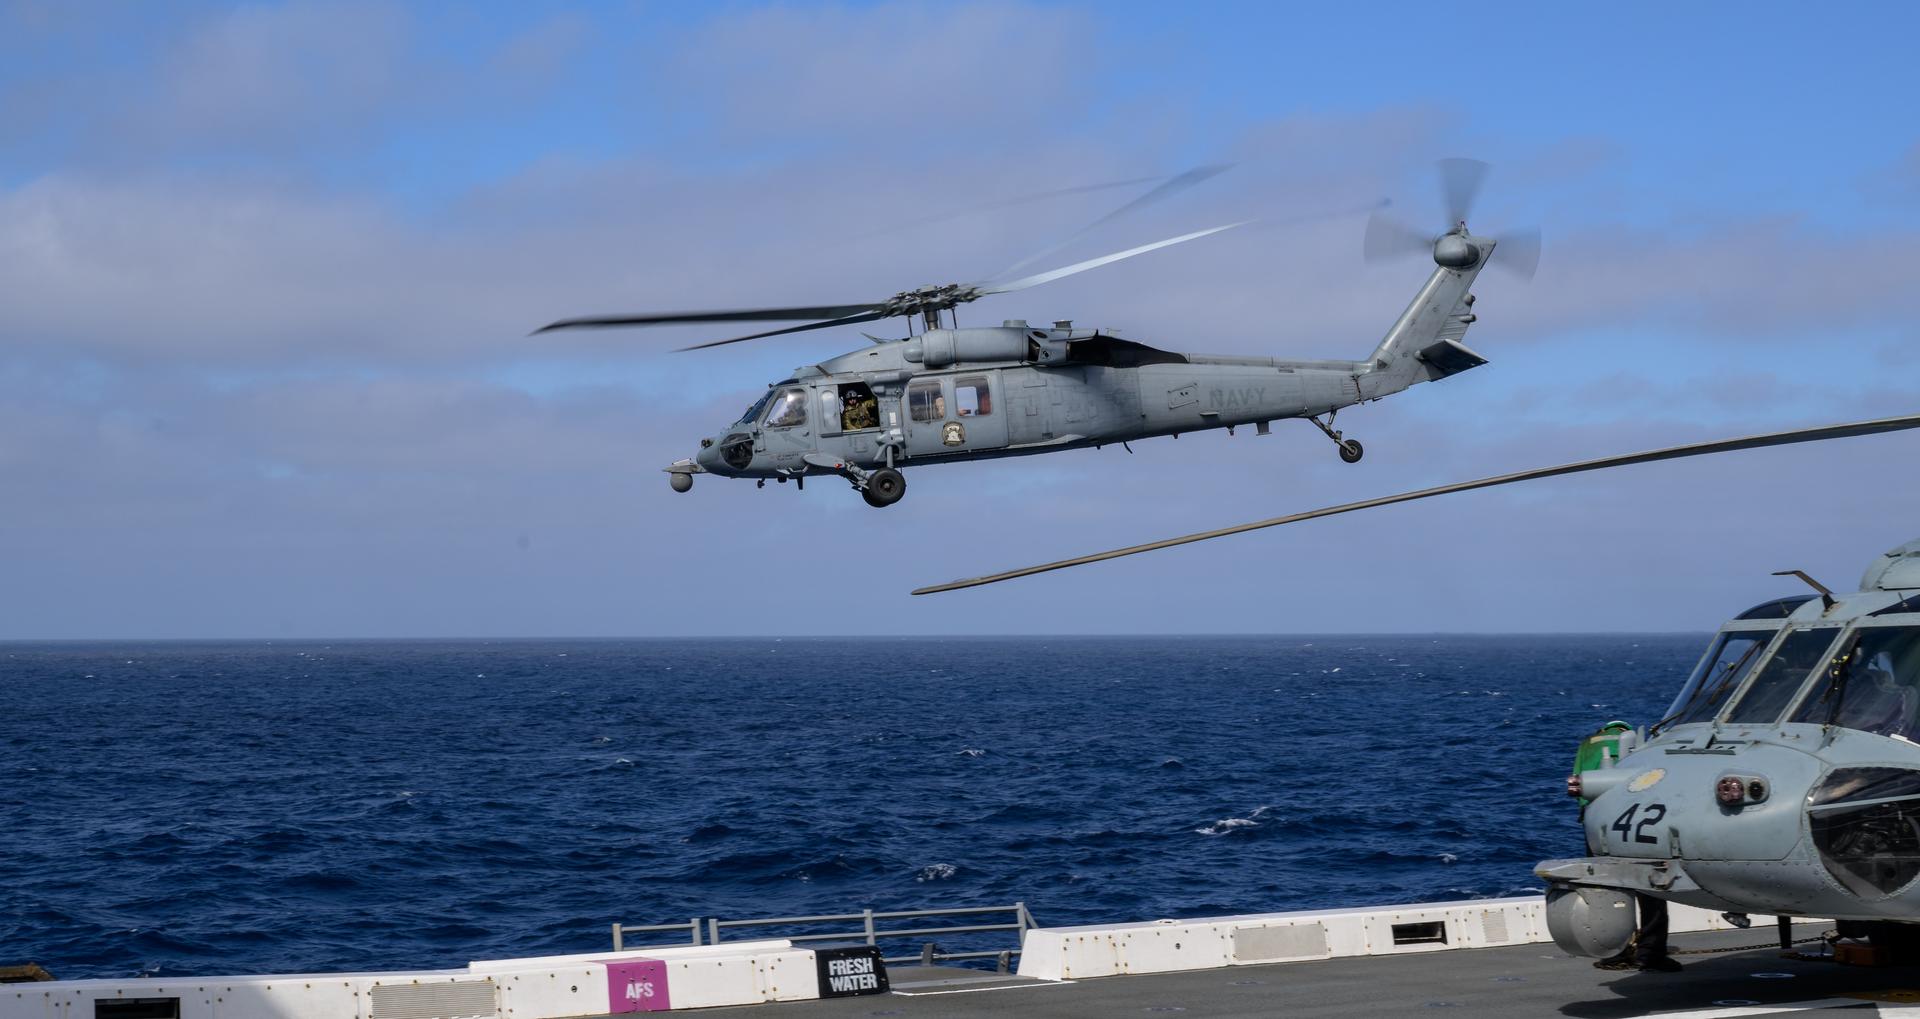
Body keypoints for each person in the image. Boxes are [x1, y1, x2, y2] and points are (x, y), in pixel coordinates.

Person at [1569, 721, 1682, 973]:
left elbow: (1580, 785)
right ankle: (1650, 953)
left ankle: (1613, 953)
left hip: (1596, 823)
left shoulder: (1587, 743)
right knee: (1650, 890)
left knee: (1607, 890)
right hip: (1638, 825)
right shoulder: (1641, 745)